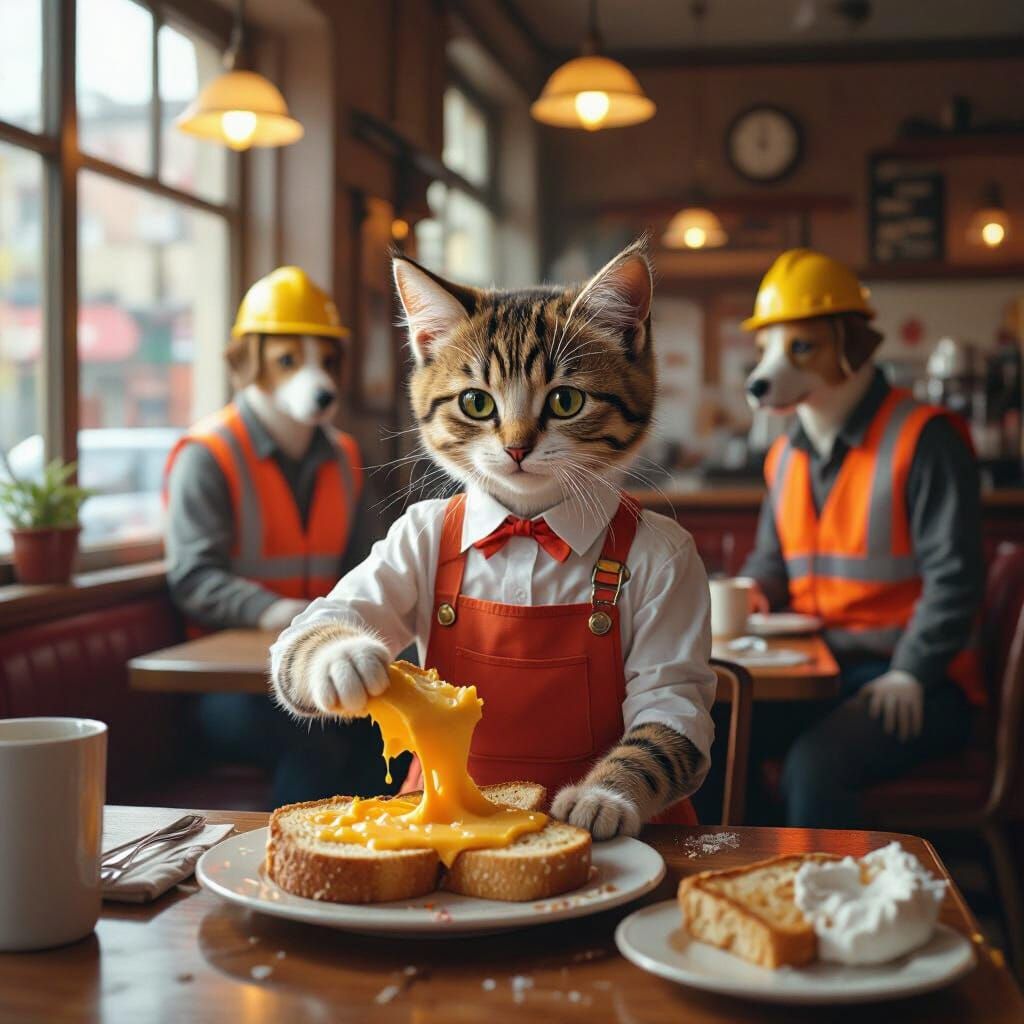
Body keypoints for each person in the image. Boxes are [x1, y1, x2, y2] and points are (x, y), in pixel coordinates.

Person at [739, 249, 984, 828]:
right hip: (821, 673)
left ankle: (829, 911)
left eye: (802, 346)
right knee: (718, 737)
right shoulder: (784, 455)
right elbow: (772, 566)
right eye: (768, 349)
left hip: (923, 682)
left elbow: (955, 579)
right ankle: (738, 891)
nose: (773, 366)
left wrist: (913, 669)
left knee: (813, 767)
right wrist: (750, 591)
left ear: (852, 348)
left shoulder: (925, 438)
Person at [164, 266, 381, 805]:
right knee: (319, 742)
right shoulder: (207, 456)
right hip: (227, 687)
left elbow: (373, 569)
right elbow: (193, 579)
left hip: (325, 659)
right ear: (247, 363)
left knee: (386, 736)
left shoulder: (346, 458)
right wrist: (278, 613)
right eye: (290, 360)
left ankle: (381, 862)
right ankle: (288, 871)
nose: (319, 378)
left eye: (327, 360)